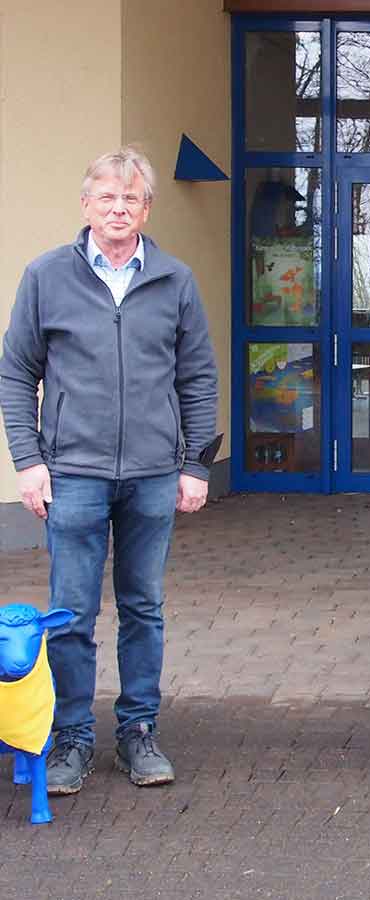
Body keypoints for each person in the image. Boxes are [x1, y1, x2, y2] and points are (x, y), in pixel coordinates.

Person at [0, 147, 219, 794]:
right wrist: (28, 461)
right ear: (86, 205)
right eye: (107, 197)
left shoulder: (175, 280)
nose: (118, 209)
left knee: (143, 606)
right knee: (70, 611)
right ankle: (71, 738)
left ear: (146, 209)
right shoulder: (46, 278)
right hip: (72, 473)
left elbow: (198, 377)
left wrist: (195, 463)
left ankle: (137, 731)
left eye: (131, 199)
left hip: (153, 473)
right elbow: (17, 373)